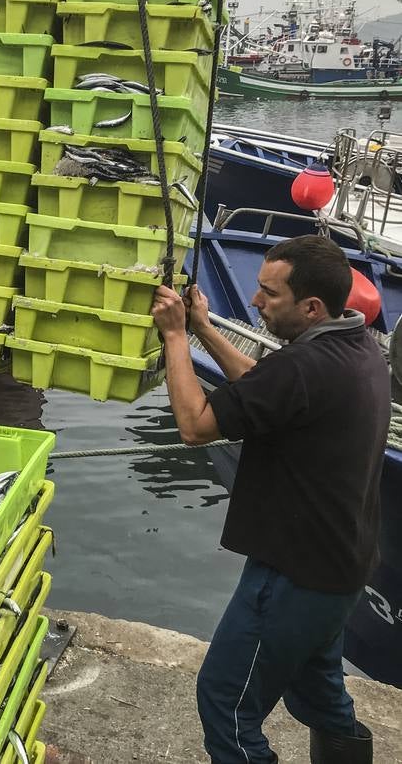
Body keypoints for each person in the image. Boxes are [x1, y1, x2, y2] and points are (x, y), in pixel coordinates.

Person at [151, 235, 388, 764]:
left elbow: (195, 426)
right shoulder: (357, 347)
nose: (255, 303)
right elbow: (267, 384)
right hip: (342, 573)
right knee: (322, 699)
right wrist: (203, 329)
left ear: (311, 307)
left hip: (294, 576)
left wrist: (173, 338)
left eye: (269, 294)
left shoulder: (307, 366)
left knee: (226, 704)